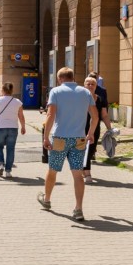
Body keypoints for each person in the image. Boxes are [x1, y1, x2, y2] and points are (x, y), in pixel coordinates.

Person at [38, 67, 98, 221]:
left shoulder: (56, 92)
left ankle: (47, 200)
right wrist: (90, 133)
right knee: (78, 174)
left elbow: (50, 115)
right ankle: (78, 209)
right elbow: (95, 116)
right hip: (79, 139)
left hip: (60, 138)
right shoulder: (85, 92)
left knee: (53, 171)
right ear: (72, 77)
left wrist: (45, 136)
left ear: (59, 79)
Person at [0, 82, 26, 178]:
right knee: (10, 149)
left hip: (0, 127)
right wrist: (23, 127)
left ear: (2, 90)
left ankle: (1, 164)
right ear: (11, 91)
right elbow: (21, 116)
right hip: (13, 128)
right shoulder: (17, 102)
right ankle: (8, 171)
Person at [82, 76, 113, 183]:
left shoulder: (100, 99)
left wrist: (110, 129)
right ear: (84, 85)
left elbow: (104, 115)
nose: (90, 86)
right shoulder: (79, 98)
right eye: (88, 84)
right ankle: (87, 173)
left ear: (96, 86)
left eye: (92, 84)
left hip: (94, 129)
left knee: (90, 150)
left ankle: (84, 168)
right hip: (80, 128)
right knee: (82, 150)